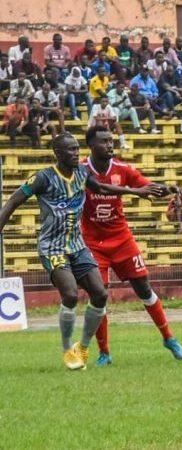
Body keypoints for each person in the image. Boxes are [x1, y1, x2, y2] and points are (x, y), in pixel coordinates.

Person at [0, 133, 162, 370]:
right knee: (71, 294)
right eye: (70, 150)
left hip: (77, 246)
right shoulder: (42, 178)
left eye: (77, 149)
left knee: (100, 294)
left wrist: (136, 192)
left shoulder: (83, 173)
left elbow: (103, 188)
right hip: (53, 247)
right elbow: (13, 201)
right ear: (57, 153)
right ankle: (67, 349)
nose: (76, 153)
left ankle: (82, 347)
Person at [80, 126, 182, 366]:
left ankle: (169, 338)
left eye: (111, 141)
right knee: (99, 296)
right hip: (92, 243)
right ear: (91, 145)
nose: (109, 145)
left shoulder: (122, 169)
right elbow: (103, 188)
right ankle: (104, 352)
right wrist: (135, 191)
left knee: (144, 288)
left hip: (121, 238)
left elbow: (147, 188)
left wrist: (171, 189)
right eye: (104, 141)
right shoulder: (80, 169)